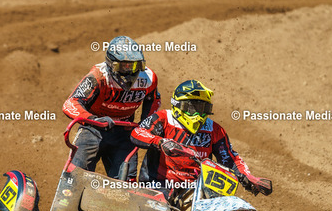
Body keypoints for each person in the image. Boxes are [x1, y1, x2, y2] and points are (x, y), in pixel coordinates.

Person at [130, 79, 272, 197]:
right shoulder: (163, 118)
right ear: (179, 105)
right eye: (193, 108)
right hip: (158, 184)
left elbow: (230, 158)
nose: (198, 114)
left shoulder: (214, 129)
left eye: (203, 108)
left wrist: (249, 178)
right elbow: (138, 132)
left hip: (196, 189)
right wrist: (160, 141)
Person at [63, 36, 160, 180]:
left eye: (135, 66)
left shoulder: (149, 78)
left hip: (125, 130)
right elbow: (71, 103)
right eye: (124, 66)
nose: (130, 71)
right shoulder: (98, 76)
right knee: (75, 176)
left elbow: (153, 100)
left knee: (126, 182)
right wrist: (93, 119)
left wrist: (144, 124)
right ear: (111, 64)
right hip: (93, 129)